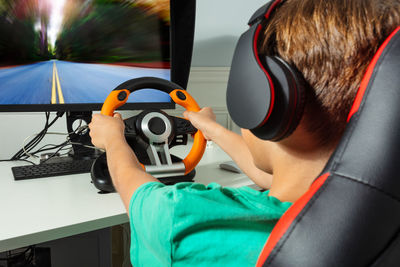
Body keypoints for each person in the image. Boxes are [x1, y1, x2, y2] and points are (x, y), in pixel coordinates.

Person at [88, 0, 400, 265]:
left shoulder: (182, 217)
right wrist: (213, 130)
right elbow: (269, 175)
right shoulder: (368, 210)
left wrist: (113, 139)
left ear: (263, 101)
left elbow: (137, 193)